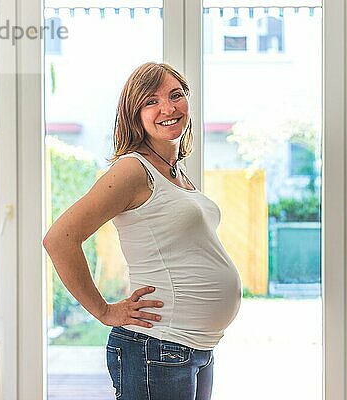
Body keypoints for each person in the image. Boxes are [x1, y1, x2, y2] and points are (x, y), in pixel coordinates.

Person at [42, 62, 242, 400]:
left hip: (193, 347)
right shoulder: (133, 170)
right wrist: (104, 311)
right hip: (157, 346)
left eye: (176, 95)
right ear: (135, 114)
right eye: (151, 101)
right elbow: (59, 239)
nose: (168, 108)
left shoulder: (175, 171)